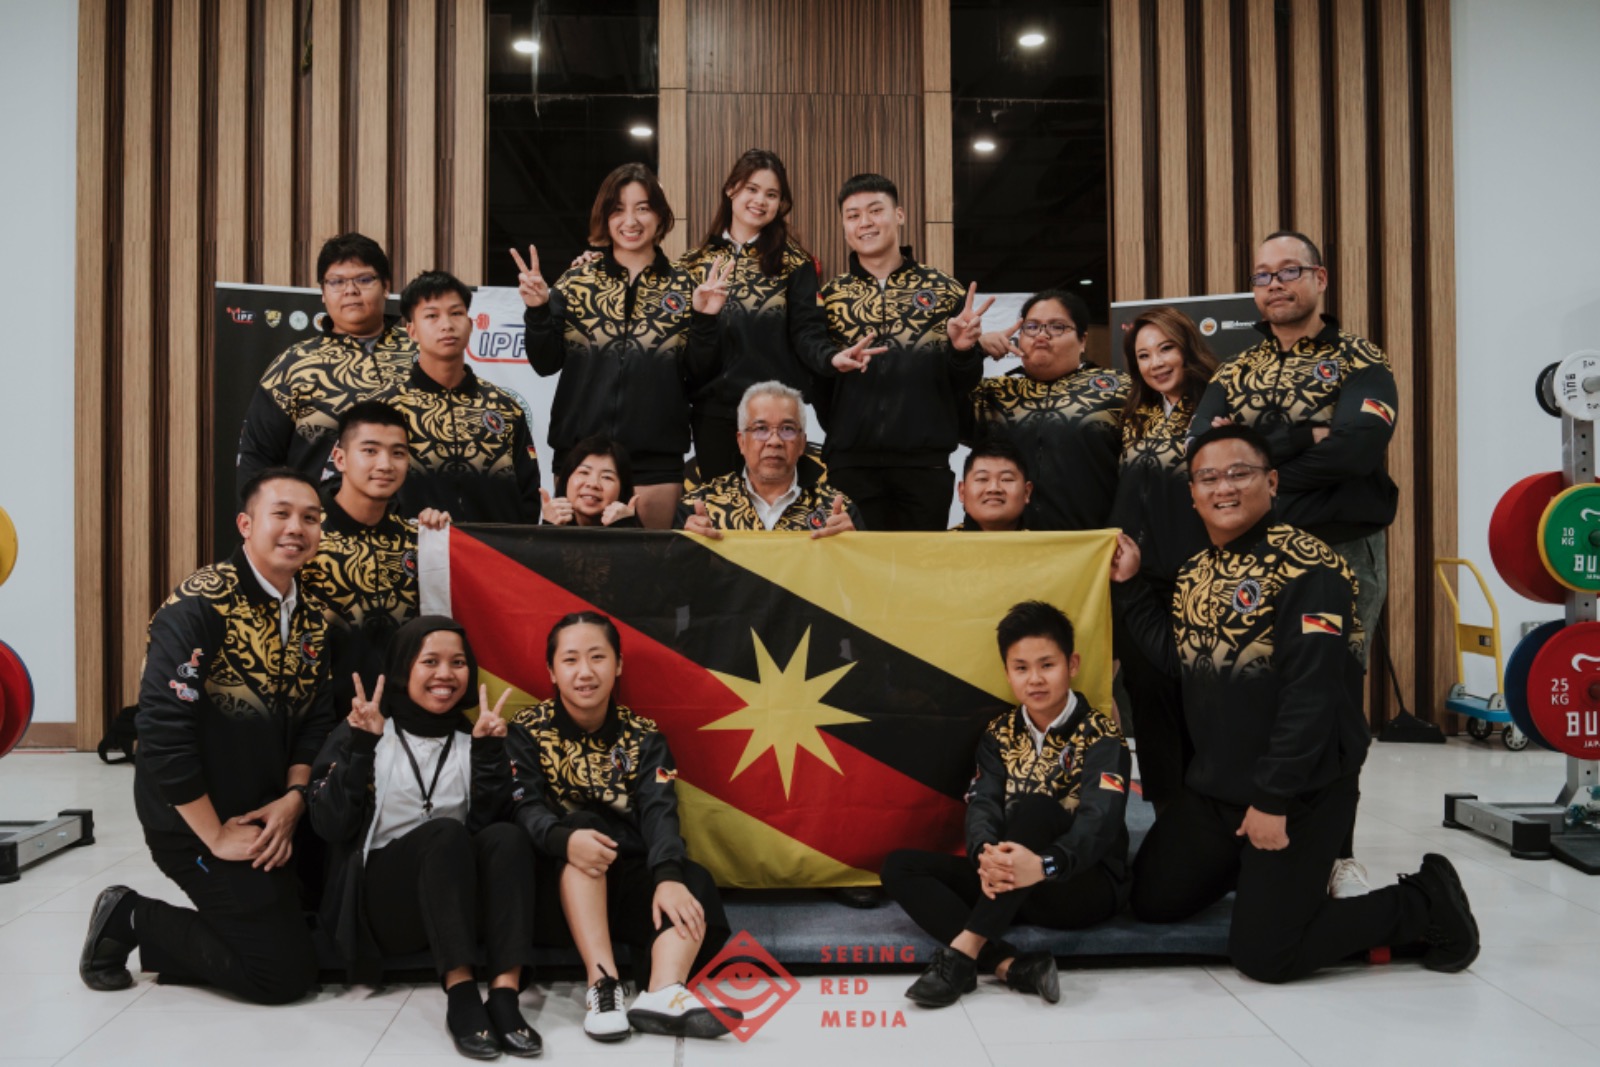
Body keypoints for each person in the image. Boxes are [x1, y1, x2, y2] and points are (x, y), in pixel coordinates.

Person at [1111, 425, 1479, 984]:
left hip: (1299, 790)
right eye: (1208, 478)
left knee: (1266, 955)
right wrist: (1132, 585)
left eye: (1239, 473)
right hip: (1216, 787)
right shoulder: (1195, 571)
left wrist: (1272, 799)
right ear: (1192, 494)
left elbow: (1312, 693)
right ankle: (1264, 877)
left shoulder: (1311, 568)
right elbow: (1176, 657)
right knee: (1153, 900)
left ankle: (1421, 904)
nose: (1223, 488)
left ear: (1273, 482)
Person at [80, 469, 335, 1004]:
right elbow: (161, 733)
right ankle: (130, 914)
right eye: (281, 514)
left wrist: (294, 797)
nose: (297, 528)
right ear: (246, 524)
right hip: (195, 822)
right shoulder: (199, 605)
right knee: (281, 976)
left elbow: (316, 717)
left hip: (270, 812)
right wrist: (215, 835)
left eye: (310, 518)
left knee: (331, 944)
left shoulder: (312, 614)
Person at [308, 617, 542, 1059]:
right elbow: (329, 825)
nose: (445, 674)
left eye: (458, 663)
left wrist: (489, 756)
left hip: (453, 902)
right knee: (444, 833)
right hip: (384, 910)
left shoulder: (472, 738)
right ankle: (462, 995)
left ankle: (505, 996)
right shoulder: (368, 729)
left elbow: (487, 836)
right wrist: (360, 746)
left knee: (507, 837)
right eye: (430, 661)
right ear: (403, 668)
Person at [882, 601, 1130, 1008]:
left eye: (1047, 665)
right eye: (1021, 668)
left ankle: (963, 953)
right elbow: (984, 803)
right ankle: (1010, 966)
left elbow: (1098, 824)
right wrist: (983, 853)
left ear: (1072, 664)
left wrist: (1045, 865)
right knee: (899, 867)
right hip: (1008, 883)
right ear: (1007, 673)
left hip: (1078, 885)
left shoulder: (1102, 736)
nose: (1035, 679)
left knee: (1037, 808)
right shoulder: (999, 733)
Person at [507, 613, 735, 1042]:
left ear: (618, 665)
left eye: (598, 657)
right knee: (583, 825)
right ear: (551, 671)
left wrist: (667, 877)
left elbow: (660, 811)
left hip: (625, 884)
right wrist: (563, 840)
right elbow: (525, 807)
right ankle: (603, 984)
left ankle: (663, 992)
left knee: (693, 880)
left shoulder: (645, 737)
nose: (585, 672)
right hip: (556, 890)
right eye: (570, 660)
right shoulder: (526, 731)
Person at [1190, 231, 1398, 669]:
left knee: (1330, 681)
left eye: (1289, 271)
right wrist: (1305, 437)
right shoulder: (1234, 371)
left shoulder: (1360, 359)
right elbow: (1200, 452)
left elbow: (1355, 452)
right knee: (1253, 681)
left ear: (1319, 278)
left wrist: (1246, 464)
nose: (1274, 284)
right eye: (1262, 276)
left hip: (1339, 549)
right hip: (1250, 552)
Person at [516, 163, 726, 529]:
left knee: (650, 562)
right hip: (580, 458)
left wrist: (706, 321)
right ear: (604, 217)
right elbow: (545, 362)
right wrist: (537, 311)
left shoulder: (686, 287)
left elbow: (699, 376)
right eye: (618, 209)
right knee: (575, 562)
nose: (630, 220)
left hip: (655, 461)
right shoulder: (576, 281)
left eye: (642, 208)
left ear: (660, 216)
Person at [811, 172, 984, 532]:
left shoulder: (944, 290)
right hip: (850, 464)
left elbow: (964, 382)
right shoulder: (829, 297)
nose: (865, 222)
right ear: (844, 225)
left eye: (876, 211)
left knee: (919, 565)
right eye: (853, 215)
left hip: (926, 466)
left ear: (899, 215)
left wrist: (963, 351)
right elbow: (818, 378)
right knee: (855, 565)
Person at [1108, 307, 1218, 813]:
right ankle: (1167, 814)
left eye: (1165, 348)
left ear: (1187, 346)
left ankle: (1207, 811)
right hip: (1137, 581)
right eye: (1144, 355)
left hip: (1201, 578)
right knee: (1147, 695)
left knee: (1199, 694)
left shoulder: (1219, 407)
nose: (1156, 363)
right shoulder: (1136, 415)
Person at [678, 149, 843, 479]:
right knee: (721, 507)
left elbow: (807, 333)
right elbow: (689, 353)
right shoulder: (692, 264)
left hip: (776, 417)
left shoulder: (796, 263)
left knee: (779, 506)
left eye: (771, 194)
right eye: (751, 189)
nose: (760, 201)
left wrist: (830, 358)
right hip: (714, 416)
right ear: (731, 189)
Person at [237, 233, 416, 494]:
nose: (350, 290)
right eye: (336, 282)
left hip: (413, 517)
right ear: (322, 292)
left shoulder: (423, 353)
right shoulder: (294, 364)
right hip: (318, 516)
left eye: (364, 279)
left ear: (386, 286)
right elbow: (256, 456)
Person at [368, 271, 541, 524]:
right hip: (411, 546)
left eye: (456, 313)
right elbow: (362, 487)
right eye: (432, 316)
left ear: (470, 324)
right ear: (412, 331)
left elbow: (528, 495)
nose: (447, 325)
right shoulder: (384, 408)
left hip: (491, 547)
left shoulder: (505, 408)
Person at [298, 401, 423, 713]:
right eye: (370, 451)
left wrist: (439, 537)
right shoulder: (303, 535)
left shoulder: (419, 541)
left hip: (402, 722)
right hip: (318, 720)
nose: (385, 464)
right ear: (340, 458)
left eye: (398, 453)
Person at [971, 289, 1128, 531]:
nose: (1042, 335)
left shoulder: (1119, 389)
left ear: (1083, 340)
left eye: (1057, 327)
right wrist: (972, 353)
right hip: (1003, 543)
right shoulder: (991, 393)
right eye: (1032, 327)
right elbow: (932, 411)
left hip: (1091, 541)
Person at [675, 381, 861, 537]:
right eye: (761, 429)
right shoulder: (700, 506)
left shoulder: (836, 511)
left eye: (787, 429)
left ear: (802, 443)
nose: (774, 441)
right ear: (741, 442)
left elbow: (861, 569)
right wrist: (690, 548)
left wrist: (852, 546)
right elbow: (672, 568)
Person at [539, 435, 642, 528]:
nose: (593, 484)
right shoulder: (548, 528)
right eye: (584, 472)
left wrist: (625, 529)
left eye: (607, 477)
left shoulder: (638, 538)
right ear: (566, 479)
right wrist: (548, 528)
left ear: (622, 489)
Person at [953, 440, 1032, 532]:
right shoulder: (943, 541)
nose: (993, 488)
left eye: (1006, 479)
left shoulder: (1042, 541)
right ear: (962, 492)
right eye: (982, 479)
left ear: (1026, 492)